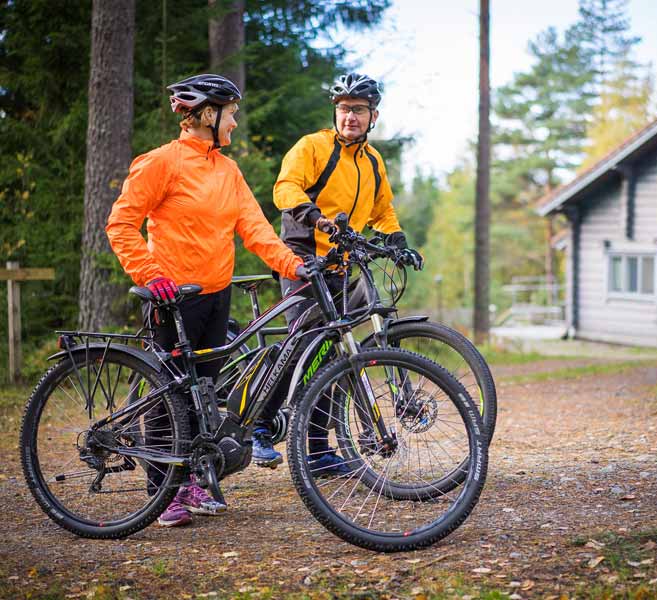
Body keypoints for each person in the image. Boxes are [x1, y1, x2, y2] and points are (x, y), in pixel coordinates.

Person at [106, 74, 304, 527]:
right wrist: (150, 275)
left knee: (204, 392)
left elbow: (255, 229)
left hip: (216, 295)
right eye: (230, 112)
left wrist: (295, 266)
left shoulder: (227, 170)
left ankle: (192, 478)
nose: (235, 120)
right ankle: (163, 493)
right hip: (172, 298)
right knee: (167, 396)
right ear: (207, 115)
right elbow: (121, 224)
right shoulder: (161, 163)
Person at [249, 73, 423, 475]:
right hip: (302, 258)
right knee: (304, 346)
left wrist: (397, 240)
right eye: (344, 109)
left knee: (333, 355)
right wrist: (316, 218)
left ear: (373, 115)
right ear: (335, 112)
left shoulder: (372, 161)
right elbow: (286, 188)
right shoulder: (313, 147)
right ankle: (259, 426)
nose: (350, 117)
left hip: (340, 266)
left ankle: (317, 451)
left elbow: (382, 210)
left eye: (358, 110)